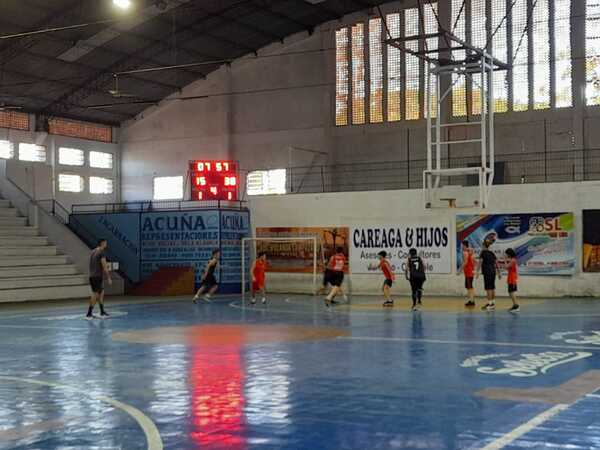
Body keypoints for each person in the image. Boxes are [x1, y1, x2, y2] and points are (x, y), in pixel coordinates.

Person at [86, 238, 112, 320]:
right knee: (95, 294)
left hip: (92, 275)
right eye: (106, 243)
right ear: (103, 243)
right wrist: (109, 278)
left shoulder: (93, 251)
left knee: (101, 292)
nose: (106, 244)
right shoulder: (101, 252)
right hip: (97, 276)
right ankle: (89, 313)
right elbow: (104, 266)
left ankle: (102, 311)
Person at [477, 240, 501, 311]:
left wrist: (477, 272)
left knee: (488, 288)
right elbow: (497, 263)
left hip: (487, 272)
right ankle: (492, 303)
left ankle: (490, 304)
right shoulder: (492, 253)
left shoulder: (483, 253)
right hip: (493, 272)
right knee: (492, 287)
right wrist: (499, 273)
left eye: (482, 245)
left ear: (484, 246)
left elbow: (480, 263)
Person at [458, 240, 476, 307]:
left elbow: (465, 262)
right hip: (470, 271)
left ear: (464, 245)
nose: (461, 247)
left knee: (469, 287)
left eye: (462, 245)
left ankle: (472, 301)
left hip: (468, 272)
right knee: (469, 286)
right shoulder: (470, 252)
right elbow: (473, 260)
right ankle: (471, 300)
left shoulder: (465, 252)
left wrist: (460, 270)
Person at [505, 248, 520, 312]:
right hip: (511, 276)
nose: (506, 255)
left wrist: (505, 260)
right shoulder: (512, 260)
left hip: (512, 277)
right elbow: (508, 269)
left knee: (511, 291)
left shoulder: (513, 260)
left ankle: (516, 306)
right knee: (510, 291)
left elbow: (506, 266)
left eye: (506, 254)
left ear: (509, 254)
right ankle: (515, 305)